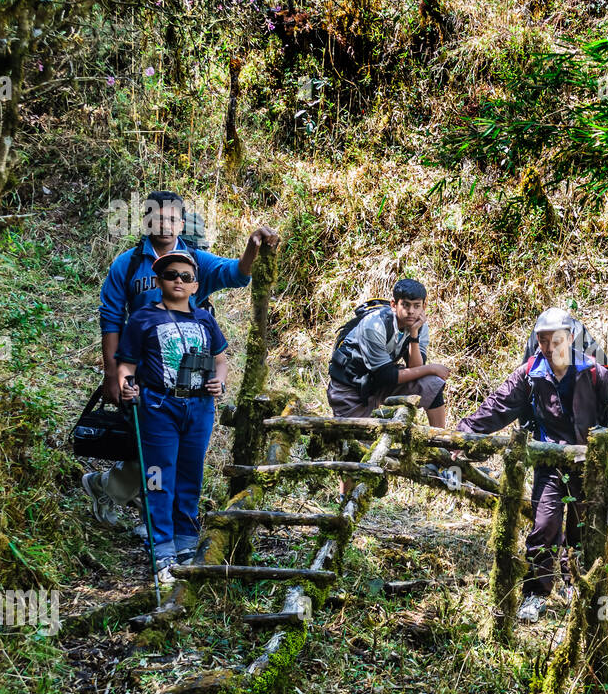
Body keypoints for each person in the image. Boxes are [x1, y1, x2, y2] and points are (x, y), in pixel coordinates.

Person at [81, 190, 278, 533]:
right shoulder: (127, 265)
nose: (165, 224)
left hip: (190, 378)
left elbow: (236, 273)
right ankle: (144, 513)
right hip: (146, 377)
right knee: (154, 449)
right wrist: (113, 375)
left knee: (177, 452)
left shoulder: (196, 262)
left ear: (182, 222)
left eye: (172, 217)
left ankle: (110, 489)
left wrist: (252, 246)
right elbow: (111, 319)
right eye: (156, 217)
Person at [458, 308, 608, 623]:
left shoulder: (591, 371)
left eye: (556, 340)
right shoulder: (531, 372)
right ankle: (535, 595)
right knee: (544, 526)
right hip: (549, 462)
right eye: (543, 341)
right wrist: (463, 434)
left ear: (569, 338)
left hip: (586, 464)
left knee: (583, 530)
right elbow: (499, 405)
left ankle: (578, 589)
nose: (550, 347)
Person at [114, 251, 228, 582]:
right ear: (159, 280)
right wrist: (125, 384)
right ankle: (160, 544)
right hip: (158, 406)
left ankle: (187, 539)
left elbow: (220, 359)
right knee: (157, 475)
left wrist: (219, 381)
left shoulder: (205, 319)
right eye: (171, 275)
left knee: (190, 472)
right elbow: (127, 364)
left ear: (196, 285)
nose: (179, 280)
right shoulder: (143, 318)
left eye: (186, 276)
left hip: (199, 407)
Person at [326, 279, 451, 428]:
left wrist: (414, 334)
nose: (411, 311)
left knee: (431, 383)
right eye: (405, 305)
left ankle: (440, 443)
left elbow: (415, 366)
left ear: (424, 306)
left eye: (417, 306)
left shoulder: (419, 326)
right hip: (350, 388)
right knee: (360, 446)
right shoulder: (374, 325)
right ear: (394, 304)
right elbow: (386, 375)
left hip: (378, 384)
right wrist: (431, 368)